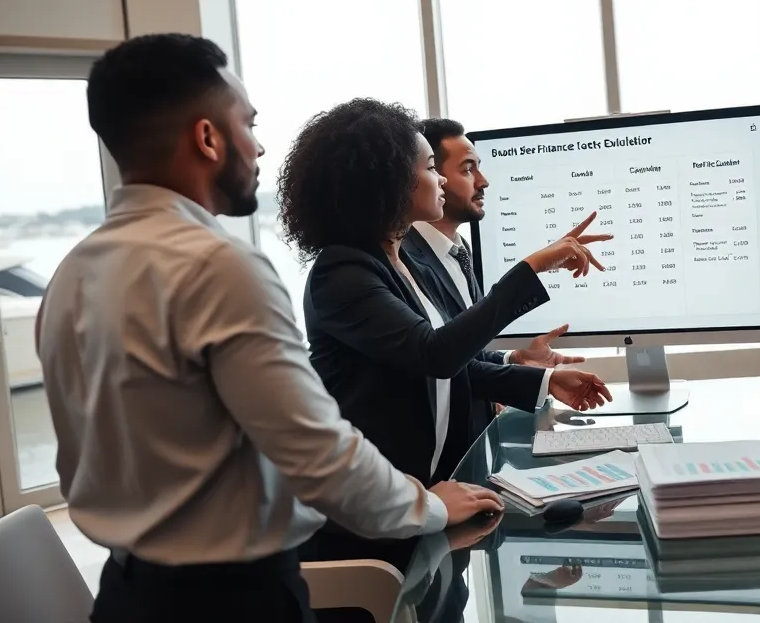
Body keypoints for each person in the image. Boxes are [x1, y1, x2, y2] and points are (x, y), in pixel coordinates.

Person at [35, 34, 501, 623]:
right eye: (248, 125)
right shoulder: (218, 267)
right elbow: (317, 454)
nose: (258, 148)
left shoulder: (71, 275)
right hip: (233, 601)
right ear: (207, 138)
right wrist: (428, 506)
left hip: (127, 595)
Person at [275, 99, 613, 566]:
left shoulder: (398, 263)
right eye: (431, 167)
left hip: (426, 500)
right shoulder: (343, 272)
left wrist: (540, 380)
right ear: (391, 184)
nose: (438, 180)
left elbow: (451, 366)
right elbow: (433, 355)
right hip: (372, 519)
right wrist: (533, 267)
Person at [406, 118, 585, 447]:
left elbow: (462, 350)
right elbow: (438, 359)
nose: (483, 181)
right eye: (468, 169)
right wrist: (543, 380)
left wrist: (513, 359)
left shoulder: (459, 251)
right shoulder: (404, 260)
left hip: (475, 451)